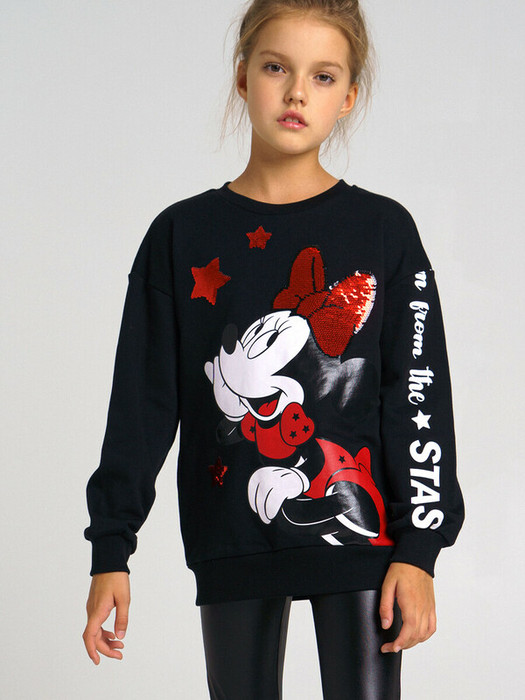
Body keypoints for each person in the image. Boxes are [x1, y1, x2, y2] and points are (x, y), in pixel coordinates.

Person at [82, 1, 465, 698]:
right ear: (242, 77)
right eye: (276, 68)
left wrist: (420, 549)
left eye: (322, 76)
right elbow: (142, 402)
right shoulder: (180, 235)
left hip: (362, 534)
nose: (296, 93)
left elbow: (417, 395)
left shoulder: (384, 231)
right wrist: (112, 546)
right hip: (232, 538)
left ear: (348, 97)